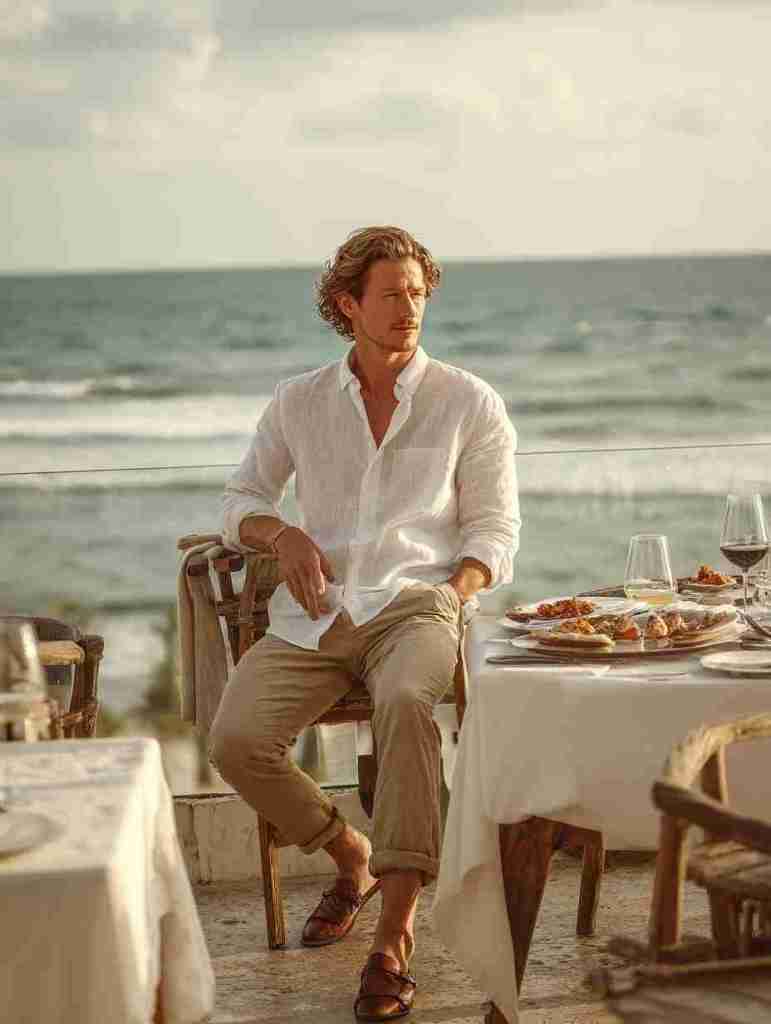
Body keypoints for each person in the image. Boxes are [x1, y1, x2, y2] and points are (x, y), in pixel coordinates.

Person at [209, 225, 520, 1021]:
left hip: (417, 604)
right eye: (390, 294)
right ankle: (350, 854)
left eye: (417, 293)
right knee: (236, 741)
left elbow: (494, 531)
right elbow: (239, 501)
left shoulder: (467, 399)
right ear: (348, 305)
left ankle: (393, 936)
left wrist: (456, 588)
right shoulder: (299, 400)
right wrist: (281, 534)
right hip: (315, 614)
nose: (408, 308)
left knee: (408, 707)